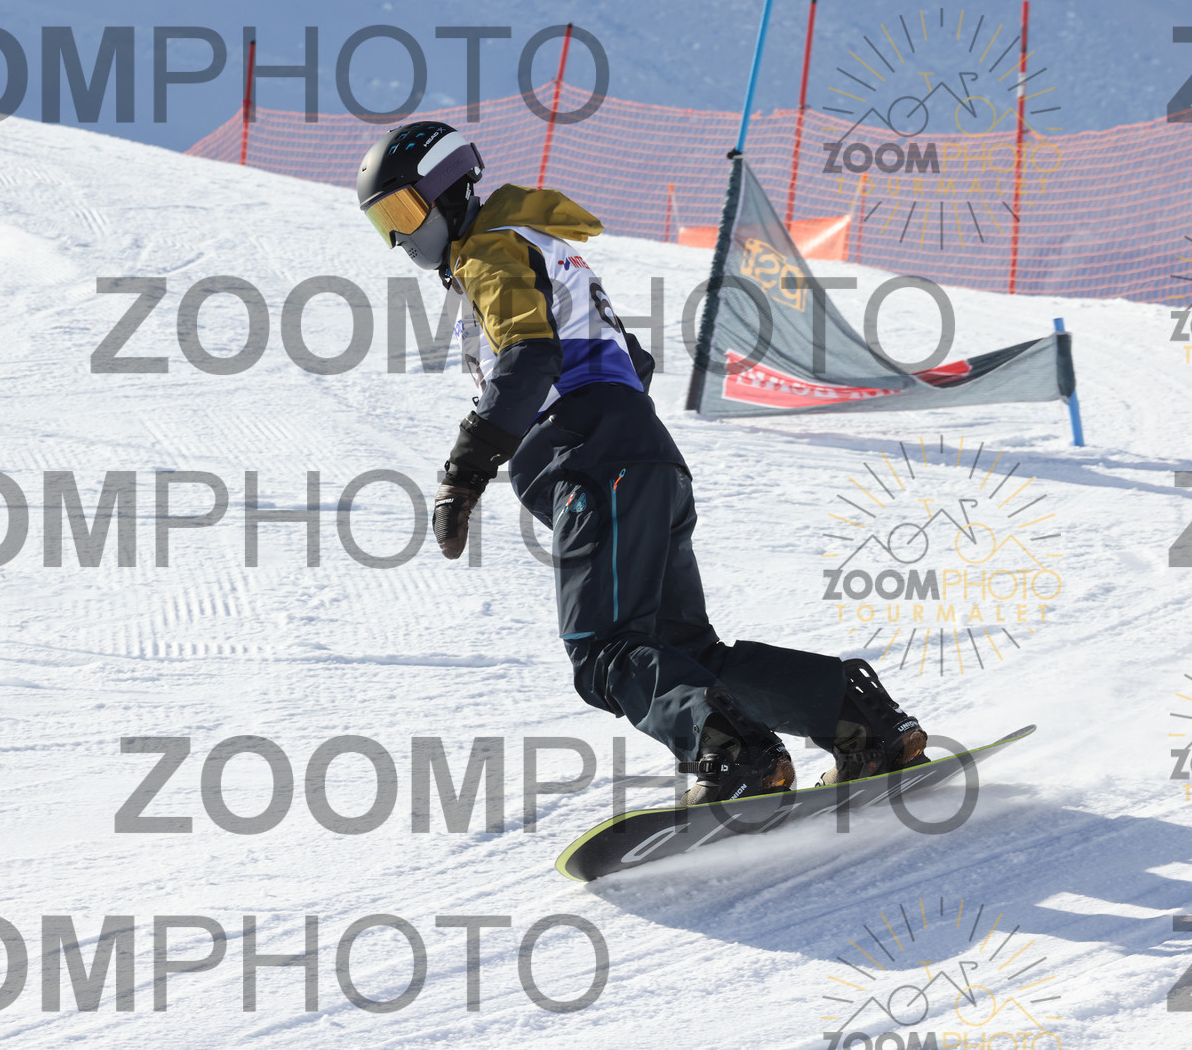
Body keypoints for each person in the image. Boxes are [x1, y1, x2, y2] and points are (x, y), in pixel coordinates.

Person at [356, 121, 929, 805]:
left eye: (404, 211)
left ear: (449, 191)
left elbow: (530, 356)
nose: (400, 237)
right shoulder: (539, 244)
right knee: (685, 652)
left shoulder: (488, 250)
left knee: (603, 649)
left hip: (595, 465)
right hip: (644, 459)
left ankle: (736, 753)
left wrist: (464, 474)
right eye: (383, 223)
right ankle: (862, 724)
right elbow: (633, 359)